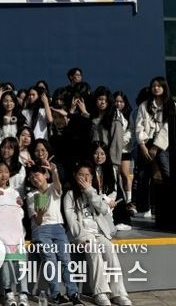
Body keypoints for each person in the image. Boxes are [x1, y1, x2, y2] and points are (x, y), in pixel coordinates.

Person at [63, 162, 132, 306]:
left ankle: (118, 293)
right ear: (75, 176)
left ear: (92, 177)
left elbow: (104, 210)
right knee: (93, 249)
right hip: (81, 234)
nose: (84, 178)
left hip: (99, 233)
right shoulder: (69, 195)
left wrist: (90, 191)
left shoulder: (94, 192)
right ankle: (100, 293)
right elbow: (72, 221)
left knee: (110, 250)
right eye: (81, 175)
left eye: (87, 175)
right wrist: (83, 237)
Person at [26, 162, 83, 305]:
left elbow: (57, 185)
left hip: (58, 228)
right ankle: (56, 295)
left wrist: (54, 171)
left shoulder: (53, 188)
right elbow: (37, 221)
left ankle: (73, 294)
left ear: (45, 175)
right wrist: (40, 214)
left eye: (36, 175)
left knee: (65, 260)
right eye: (31, 177)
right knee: (50, 260)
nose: (34, 179)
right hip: (41, 230)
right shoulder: (31, 195)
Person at [0, 161, 28, 306]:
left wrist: (17, 205)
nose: (3, 175)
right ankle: (8, 293)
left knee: (21, 261)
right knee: (5, 261)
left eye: (6, 172)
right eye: (0, 172)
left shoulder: (14, 192)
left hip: (16, 234)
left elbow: (20, 214)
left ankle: (23, 294)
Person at [134, 76, 174, 220]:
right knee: (143, 176)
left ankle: (169, 205)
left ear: (164, 87)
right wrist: (142, 145)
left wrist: (156, 147)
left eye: (159, 86)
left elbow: (168, 128)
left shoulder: (171, 105)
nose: (156, 88)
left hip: (163, 144)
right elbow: (138, 126)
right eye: (153, 86)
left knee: (166, 174)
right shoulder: (144, 105)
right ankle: (146, 208)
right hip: (145, 142)